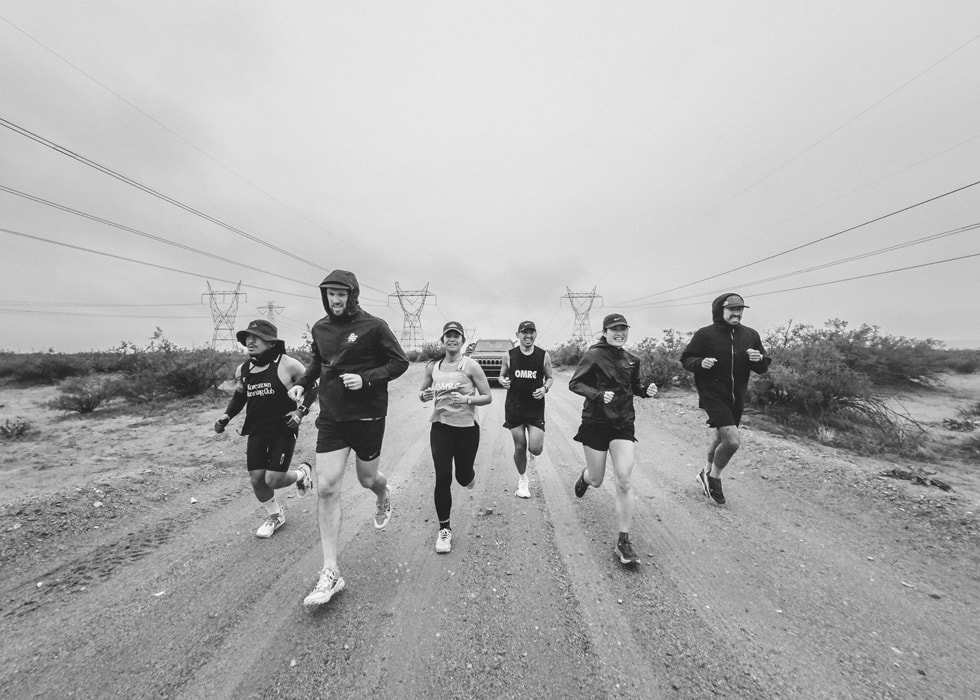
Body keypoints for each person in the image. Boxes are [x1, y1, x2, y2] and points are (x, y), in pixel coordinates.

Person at [288, 270, 409, 607]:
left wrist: (366, 378)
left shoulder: (375, 327)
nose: (335, 299)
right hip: (332, 419)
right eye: (330, 294)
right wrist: (303, 384)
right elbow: (318, 363)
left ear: (352, 295)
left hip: (368, 416)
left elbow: (399, 363)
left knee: (367, 478)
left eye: (341, 294)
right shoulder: (320, 328)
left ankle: (383, 493)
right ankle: (330, 571)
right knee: (327, 487)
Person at [213, 319, 317, 539]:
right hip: (257, 428)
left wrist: (300, 412)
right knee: (257, 478)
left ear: (271, 342)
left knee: (274, 479)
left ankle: (302, 474)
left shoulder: (289, 364)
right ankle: (276, 515)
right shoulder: (242, 369)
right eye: (247, 338)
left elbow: (313, 386)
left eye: (257, 338)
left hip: (284, 428)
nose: (250, 342)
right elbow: (240, 396)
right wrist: (227, 416)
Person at [569, 313, 657, 566]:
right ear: (605, 332)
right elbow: (575, 383)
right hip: (596, 424)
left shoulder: (632, 359)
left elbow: (634, 387)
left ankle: (623, 541)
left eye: (623, 329)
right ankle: (586, 477)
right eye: (614, 329)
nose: (619, 333)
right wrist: (598, 395)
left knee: (624, 480)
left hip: (623, 425)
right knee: (597, 480)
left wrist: (646, 391)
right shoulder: (594, 354)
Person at [680, 293, 770, 505]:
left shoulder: (750, 335)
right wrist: (700, 363)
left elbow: (763, 366)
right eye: (732, 309)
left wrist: (759, 359)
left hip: (737, 397)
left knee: (718, 438)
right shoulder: (705, 335)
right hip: (712, 395)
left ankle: (705, 471)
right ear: (720, 310)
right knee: (732, 441)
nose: (736, 313)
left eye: (740, 309)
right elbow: (686, 359)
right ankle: (714, 478)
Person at [418, 321, 492, 554]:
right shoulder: (433, 366)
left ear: (462, 341)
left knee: (462, 477)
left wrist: (467, 399)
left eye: (456, 336)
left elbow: (487, 396)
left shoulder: (471, 366)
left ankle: (469, 475)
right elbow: (422, 392)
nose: (452, 339)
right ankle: (444, 529)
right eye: (448, 336)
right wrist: (424, 395)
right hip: (440, 427)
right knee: (443, 477)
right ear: (443, 340)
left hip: (467, 429)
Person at [498, 320, 553, 498]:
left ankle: (532, 454)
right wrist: (503, 381)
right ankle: (523, 481)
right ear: (518, 335)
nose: (528, 336)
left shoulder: (543, 355)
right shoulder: (509, 355)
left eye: (531, 332)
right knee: (520, 445)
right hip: (514, 406)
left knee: (535, 448)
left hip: (535, 408)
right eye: (524, 332)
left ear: (535, 334)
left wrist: (544, 388)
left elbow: (550, 378)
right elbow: (501, 375)